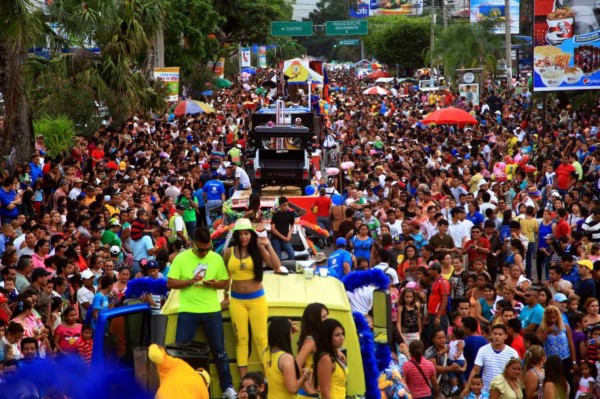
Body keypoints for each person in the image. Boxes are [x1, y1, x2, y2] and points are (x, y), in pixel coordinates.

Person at [166, 227, 236, 399]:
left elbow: (225, 282)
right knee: (181, 353)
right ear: (192, 244)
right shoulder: (181, 258)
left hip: (212, 310)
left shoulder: (216, 258)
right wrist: (190, 281)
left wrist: (214, 284)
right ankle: (182, 389)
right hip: (188, 311)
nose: (205, 252)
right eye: (201, 249)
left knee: (220, 351)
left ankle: (227, 387)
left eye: (208, 248)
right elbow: (170, 283)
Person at [223, 218, 280, 377]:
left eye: (246, 233)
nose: (243, 237)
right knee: (241, 339)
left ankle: (269, 377)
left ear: (251, 234)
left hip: (257, 300)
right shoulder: (228, 252)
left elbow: (276, 265)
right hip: (236, 300)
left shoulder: (258, 249)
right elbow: (226, 277)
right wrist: (225, 296)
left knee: (261, 338)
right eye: (240, 234)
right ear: (236, 236)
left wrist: (268, 245)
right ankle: (244, 381)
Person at [463, 324, 519, 395]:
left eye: (500, 334)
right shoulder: (483, 350)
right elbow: (475, 370)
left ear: (505, 336)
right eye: (495, 334)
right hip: (486, 391)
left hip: (505, 391)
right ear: (491, 335)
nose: (497, 336)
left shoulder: (512, 353)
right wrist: (467, 387)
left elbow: (517, 373)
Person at [262, 317, 310, 399]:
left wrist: (289, 331)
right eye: (290, 332)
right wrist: (305, 376)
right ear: (285, 334)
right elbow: (293, 388)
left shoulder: (266, 352)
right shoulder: (286, 358)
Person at [537, 305, 578, 387]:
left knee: (569, 383)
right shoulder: (542, 328)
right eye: (550, 318)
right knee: (553, 384)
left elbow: (571, 345)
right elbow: (538, 342)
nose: (552, 320)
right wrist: (547, 332)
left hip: (565, 359)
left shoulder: (565, 327)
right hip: (550, 360)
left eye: (554, 317)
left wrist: (574, 362)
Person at [297, 303, 329, 399]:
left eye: (327, 315)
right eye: (324, 317)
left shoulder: (321, 339)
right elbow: (295, 365)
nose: (327, 319)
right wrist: (306, 387)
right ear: (315, 321)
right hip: (307, 395)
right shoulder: (310, 341)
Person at [314, 318, 347, 399]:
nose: (341, 337)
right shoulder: (325, 359)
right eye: (337, 335)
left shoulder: (335, 355)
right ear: (327, 337)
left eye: (342, 334)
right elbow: (325, 392)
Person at [426, 262, 450, 341]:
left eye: (430, 270)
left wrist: (438, 317)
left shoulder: (443, 282)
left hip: (439, 316)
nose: (429, 272)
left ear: (435, 270)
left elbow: (444, 300)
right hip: (432, 315)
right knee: (433, 338)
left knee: (440, 338)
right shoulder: (435, 281)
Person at [270, 197, 296, 261]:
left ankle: (289, 268)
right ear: (280, 205)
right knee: (278, 258)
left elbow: (292, 225)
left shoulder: (290, 214)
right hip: (276, 239)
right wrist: (283, 237)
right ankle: (279, 269)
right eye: (284, 205)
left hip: (285, 239)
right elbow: (273, 229)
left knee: (292, 254)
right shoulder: (276, 215)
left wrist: (289, 233)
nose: (286, 207)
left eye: (287, 205)